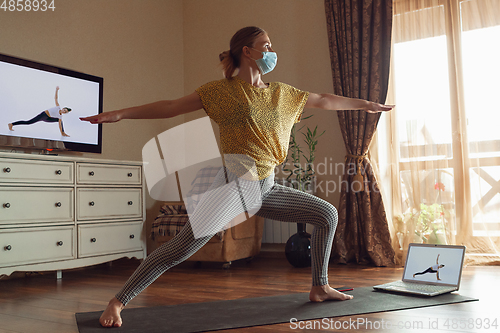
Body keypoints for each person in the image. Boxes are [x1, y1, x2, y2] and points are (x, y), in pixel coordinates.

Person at [80, 26, 393, 328]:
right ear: (248, 51)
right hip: (232, 187)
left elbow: (324, 99)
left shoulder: (283, 94)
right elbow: (172, 107)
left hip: (266, 187)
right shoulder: (220, 92)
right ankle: (118, 301)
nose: (272, 51)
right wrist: (121, 113)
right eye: (267, 45)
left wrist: (366, 105)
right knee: (180, 248)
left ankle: (320, 286)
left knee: (326, 214)